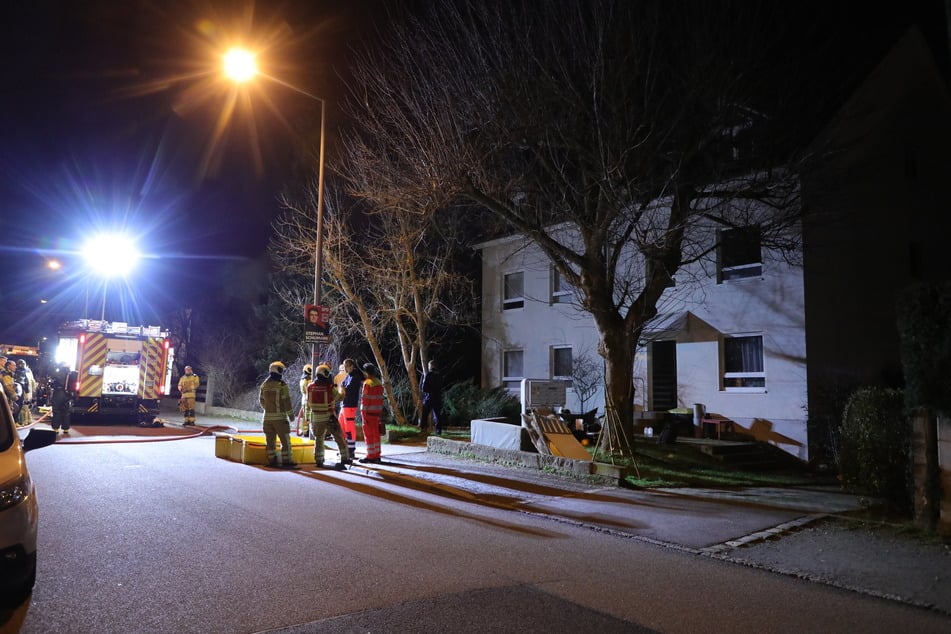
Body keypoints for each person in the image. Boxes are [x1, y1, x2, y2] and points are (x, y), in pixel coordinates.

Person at [306, 364, 350, 470]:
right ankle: (345, 458)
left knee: (319, 439)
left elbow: (307, 404)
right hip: (329, 417)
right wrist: (342, 389)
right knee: (339, 437)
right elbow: (340, 397)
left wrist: (308, 418)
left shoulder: (310, 387)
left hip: (316, 418)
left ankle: (319, 460)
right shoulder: (329, 388)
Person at [259, 361, 298, 469]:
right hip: (280, 419)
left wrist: (268, 409)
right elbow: (287, 401)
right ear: (278, 371)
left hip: (266, 419)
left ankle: (272, 460)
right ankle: (287, 461)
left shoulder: (264, 385)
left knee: (270, 441)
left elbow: (261, 400)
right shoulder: (282, 385)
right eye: (281, 371)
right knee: (285, 441)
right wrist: (291, 415)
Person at [337, 358, 364, 461]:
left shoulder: (355, 377)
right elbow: (342, 386)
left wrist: (343, 389)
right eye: (344, 366)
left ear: (352, 366)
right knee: (342, 427)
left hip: (350, 405)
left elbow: (346, 389)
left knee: (349, 428)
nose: (345, 368)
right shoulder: (349, 376)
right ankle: (344, 449)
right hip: (344, 405)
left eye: (347, 366)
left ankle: (351, 450)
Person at [358, 363, 385, 464]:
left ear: (366, 372)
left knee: (369, 436)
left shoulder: (367, 383)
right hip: (377, 413)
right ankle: (377, 455)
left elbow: (365, 400)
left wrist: (363, 414)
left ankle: (370, 456)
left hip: (368, 413)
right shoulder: (378, 382)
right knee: (376, 435)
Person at [420, 359, 444, 435]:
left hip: (429, 397)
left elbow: (423, 388)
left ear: (430, 366)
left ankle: (423, 429)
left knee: (425, 414)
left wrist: (426, 390)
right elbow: (441, 386)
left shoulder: (428, 374)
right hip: (438, 397)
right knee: (437, 414)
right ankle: (438, 430)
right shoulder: (440, 375)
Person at [49, 366, 74, 435]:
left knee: (56, 410)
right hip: (67, 394)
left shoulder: (59, 373)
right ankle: (66, 428)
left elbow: (52, 381)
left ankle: (56, 428)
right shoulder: (70, 374)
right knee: (66, 411)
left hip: (58, 393)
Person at [297, 364, 312, 437]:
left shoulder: (302, 379)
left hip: (304, 400)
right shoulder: (308, 380)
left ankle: (304, 431)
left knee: (304, 417)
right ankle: (307, 432)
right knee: (308, 417)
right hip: (308, 401)